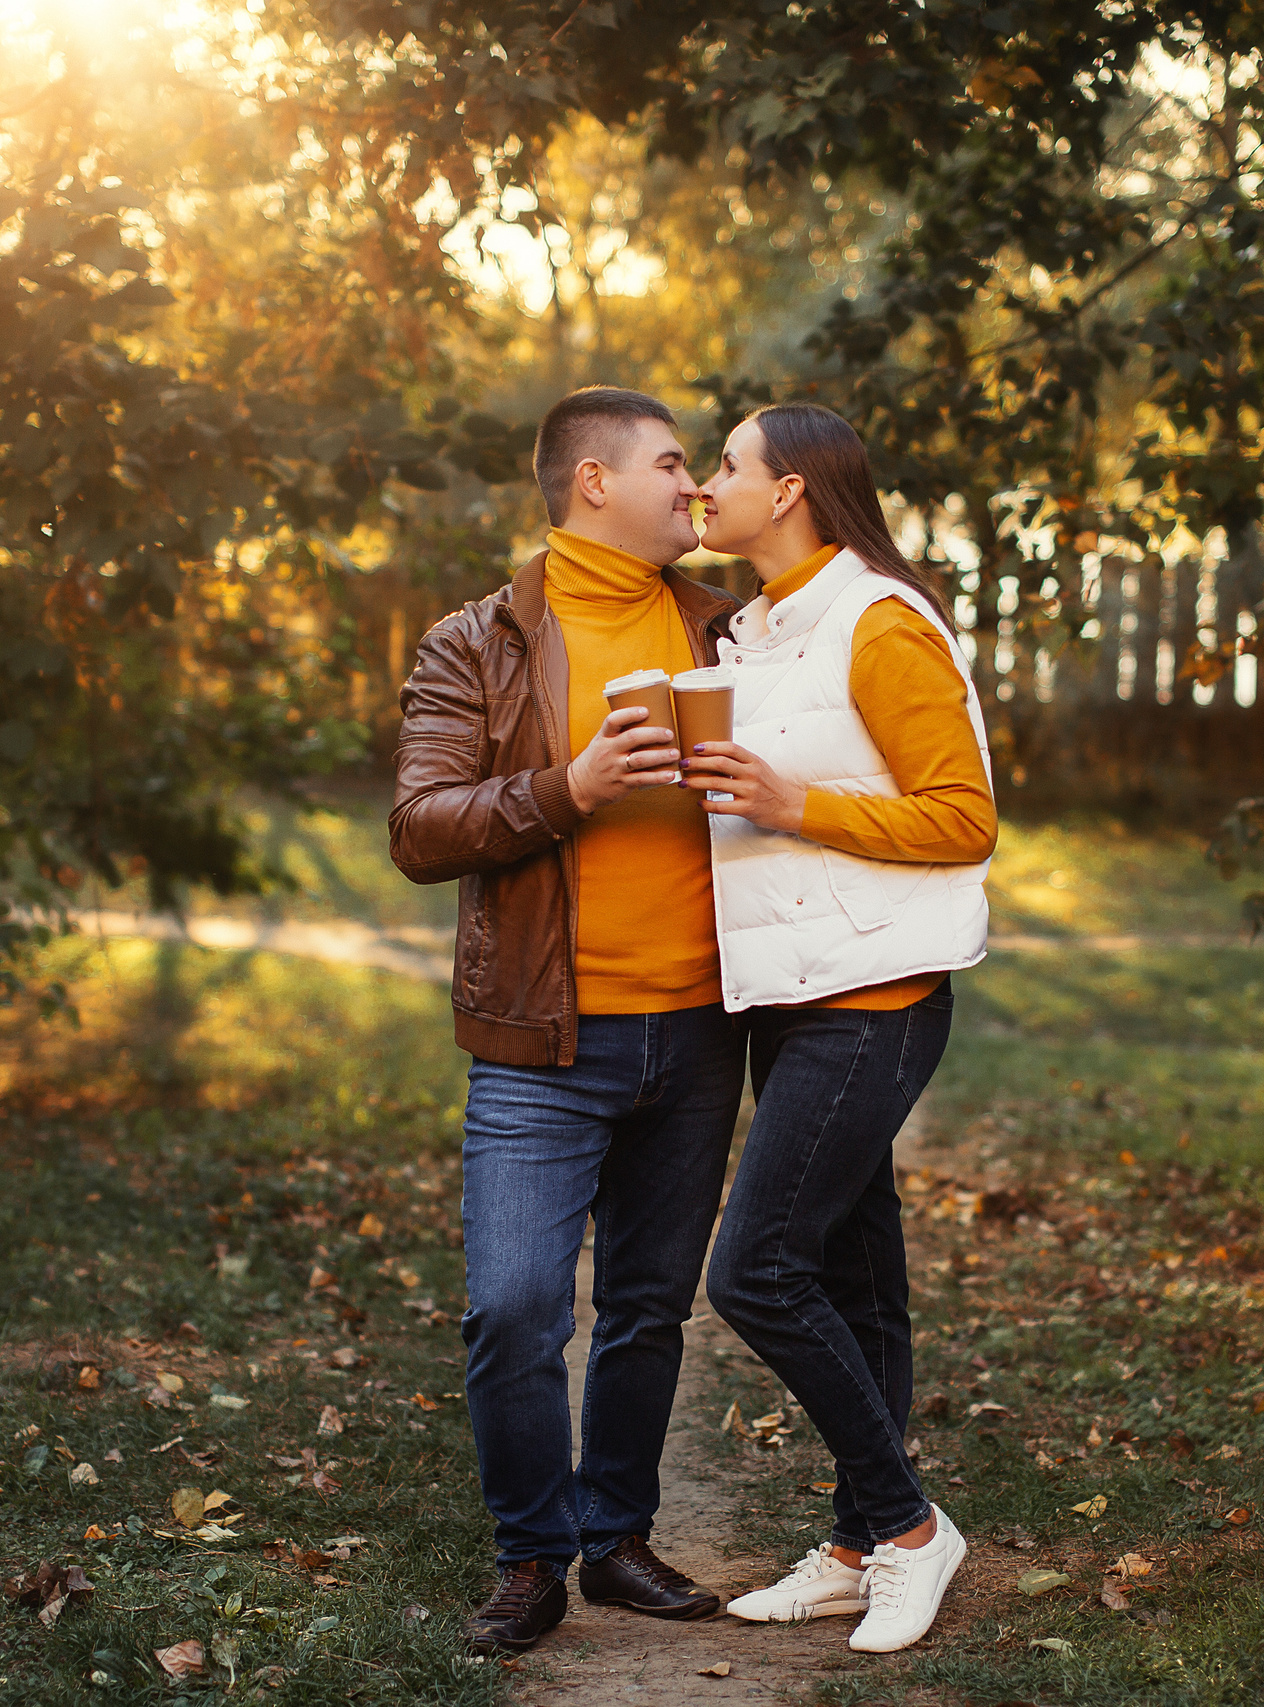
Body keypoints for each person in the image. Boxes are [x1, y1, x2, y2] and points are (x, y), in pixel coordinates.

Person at [388, 386, 746, 1656]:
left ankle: (615, 1540)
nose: (695, 486)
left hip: (701, 1031)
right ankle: (531, 1555)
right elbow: (421, 828)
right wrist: (569, 786)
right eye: (670, 464)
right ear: (593, 483)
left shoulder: (730, 628)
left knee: (650, 1307)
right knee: (516, 1306)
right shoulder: (477, 640)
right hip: (545, 1039)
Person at [681, 402, 997, 1654]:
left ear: (793, 490)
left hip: (873, 999)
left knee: (755, 1269)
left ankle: (913, 1531)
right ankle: (862, 1543)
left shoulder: (877, 620)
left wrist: (795, 803)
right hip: (790, 994)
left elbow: (962, 817)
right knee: (861, 1283)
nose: (708, 486)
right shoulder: (752, 629)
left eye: (725, 467)